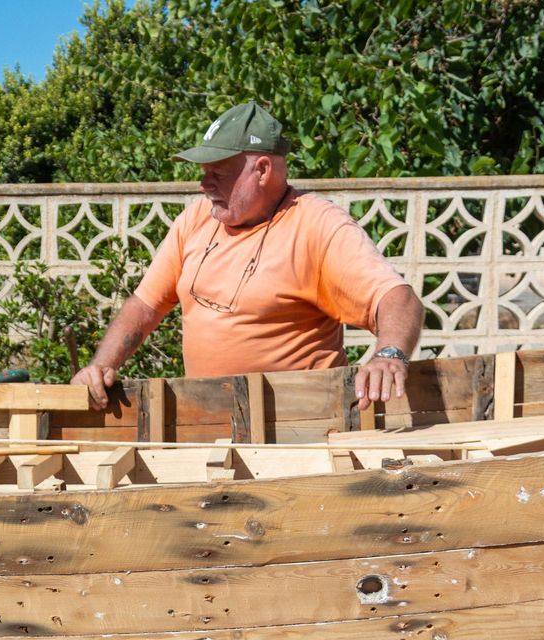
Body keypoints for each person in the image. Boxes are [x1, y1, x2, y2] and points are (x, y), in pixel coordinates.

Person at [70, 102, 423, 412]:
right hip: (210, 417)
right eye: (204, 173)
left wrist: (389, 355)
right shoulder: (194, 220)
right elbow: (145, 306)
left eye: (218, 173)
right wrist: (101, 366)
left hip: (300, 424)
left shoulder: (318, 226)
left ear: (263, 170)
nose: (204, 185)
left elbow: (397, 298)